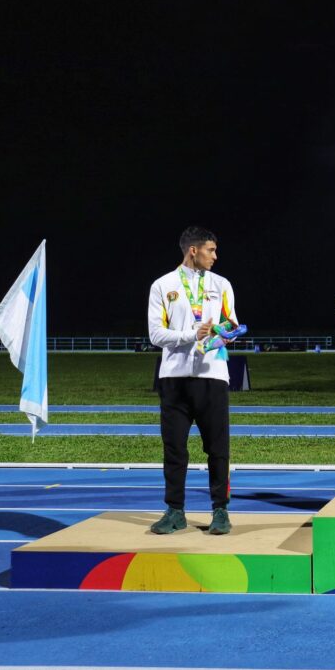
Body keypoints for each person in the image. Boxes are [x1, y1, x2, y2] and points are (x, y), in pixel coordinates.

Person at [146, 226, 237, 535]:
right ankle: (174, 511)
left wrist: (222, 335)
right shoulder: (163, 285)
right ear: (193, 251)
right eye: (211, 250)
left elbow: (231, 323)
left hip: (213, 376)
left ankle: (220, 511)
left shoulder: (222, 284)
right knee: (174, 449)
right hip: (174, 378)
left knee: (218, 448)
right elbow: (156, 334)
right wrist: (190, 335)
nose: (216, 256)